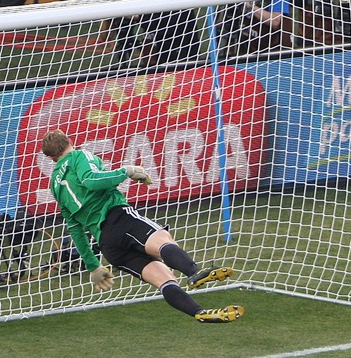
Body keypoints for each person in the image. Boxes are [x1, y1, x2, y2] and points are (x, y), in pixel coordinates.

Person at [41, 129, 244, 323]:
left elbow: (74, 227)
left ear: (52, 158)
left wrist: (93, 265)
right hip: (119, 218)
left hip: (108, 245)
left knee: (164, 279)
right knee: (163, 240)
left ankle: (199, 312)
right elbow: (91, 181)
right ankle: (193, 272)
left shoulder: (54, 185)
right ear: (69, 141)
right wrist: (127, 171)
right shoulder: (79, 156)